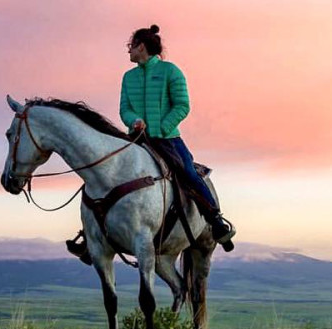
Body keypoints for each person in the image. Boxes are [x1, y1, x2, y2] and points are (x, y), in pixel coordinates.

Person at [66, 24, 235, 263]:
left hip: (167, 138)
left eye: (131, 47)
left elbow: (182, 105)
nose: (128, 52)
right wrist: (134, 121)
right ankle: (92, 236)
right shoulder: (129, 77)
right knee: (102, 176)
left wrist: (161, 128)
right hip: (135, 139)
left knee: (188, 171)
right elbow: (125, 108)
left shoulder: (171, 71)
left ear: (141, 46)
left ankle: (215, 221)